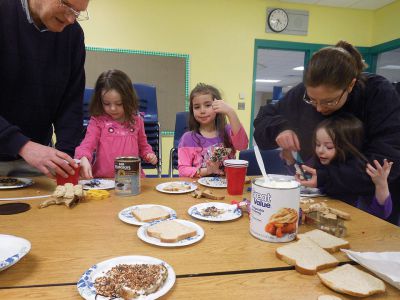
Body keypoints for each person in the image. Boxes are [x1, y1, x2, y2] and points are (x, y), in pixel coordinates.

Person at [253, 40, 400, 225]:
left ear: (350, 85)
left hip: (367, 204)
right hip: (319, 201)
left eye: (329, 101)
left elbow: (386, 161)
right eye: (312, 100)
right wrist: (280, 128)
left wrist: (325, 177)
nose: (320, 108)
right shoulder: (302, 94)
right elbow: (263, 120)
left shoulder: (378, 93)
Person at [0, 0, 89, 178]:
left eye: (78, 12)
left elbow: (70, 105)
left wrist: (66, 157)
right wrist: (22, 145)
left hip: (34, 165)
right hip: (27, 152)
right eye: (67, 6)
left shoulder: (73, 35)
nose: (71, 19)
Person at [297, 114, 393, 220]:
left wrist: (381, 184)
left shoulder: (359, 174)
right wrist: (291, 162)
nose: (320, 150)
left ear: (347, 147)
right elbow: (306, 175)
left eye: (329, 147)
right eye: (317, 144)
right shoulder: (322, 162)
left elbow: (381, 213)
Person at [75, 69, 157, 179]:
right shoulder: (98, 121)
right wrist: (83, 157)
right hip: (104, 180)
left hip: (132, 180)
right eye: (106, 103)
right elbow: (87, 144)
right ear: (100, 101)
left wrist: (149, 154)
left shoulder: (137, 121)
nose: (113, 108)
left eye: (119, 103)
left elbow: (143, 146)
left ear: (128, 100)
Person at [178, 83, 249, 177]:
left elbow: (242, 146)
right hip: (199, 187)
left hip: (226, 186)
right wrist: (207, 171)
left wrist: (230, 112)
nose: (202, 111)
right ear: (192, 110)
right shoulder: (188, 138)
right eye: (197, 107)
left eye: (207, 105)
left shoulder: (228, 130)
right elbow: (183, 170)